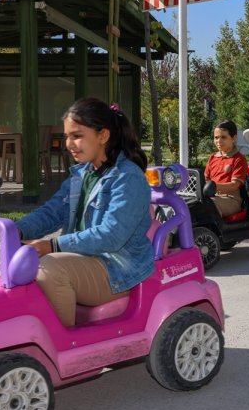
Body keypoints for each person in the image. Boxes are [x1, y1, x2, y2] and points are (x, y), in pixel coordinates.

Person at [16, 98, 152, 327]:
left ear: (103, 136)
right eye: (66, 136)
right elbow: (51, 212)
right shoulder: (82, 174)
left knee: (49, 269)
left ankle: (60, 348)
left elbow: (111, 235)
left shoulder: (127, 177)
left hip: (116, 267)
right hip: (84, 259)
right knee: (17, 259)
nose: (69, 144)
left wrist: (52, 246)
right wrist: (15, 229)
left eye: (77, 135)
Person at [204, 120, 248, 217]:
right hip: (213, 196)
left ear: (234, 138)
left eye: (223, 137)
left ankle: (208, 231)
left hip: (231, 199)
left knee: (207, 206)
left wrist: (214, 186)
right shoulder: (212, 158)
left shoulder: (239, 159)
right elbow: (207, 180)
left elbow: (235, 185)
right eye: (216, 137)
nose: (218, 141)